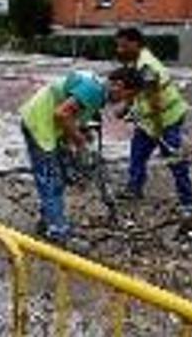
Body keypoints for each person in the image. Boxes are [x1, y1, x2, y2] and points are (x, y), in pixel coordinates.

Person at [19, 67, 142, 245]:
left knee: (59, 177)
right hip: (39, 125)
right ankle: (58, 233)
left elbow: (72, 110)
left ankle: (48, 222)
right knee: (50, 179)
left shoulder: (97, 89)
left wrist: (80, 130)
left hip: (45, 123)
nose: (127, 100)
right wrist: (80, 141)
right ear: (118, 85)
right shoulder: (94, 90)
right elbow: (61, 113)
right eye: (129, 95)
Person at [114, 27, 192, 218]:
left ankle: (189, 202)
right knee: (137, 154)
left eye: (123, 46)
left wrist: (159, 129)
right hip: (149, 121)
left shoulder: (147, 66)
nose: (120, 50)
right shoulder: (135, 62)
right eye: (118, 46)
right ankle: (134, 188)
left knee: (174, 159)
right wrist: (126, 107)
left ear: (135, 44)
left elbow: (153, 99)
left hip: (166, 119)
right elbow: (135, 90)